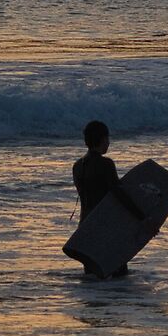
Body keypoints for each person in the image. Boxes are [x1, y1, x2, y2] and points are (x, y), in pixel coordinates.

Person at [72, 118, 125, 277]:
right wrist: (144, 219)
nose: (109, 143)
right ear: (102, 139)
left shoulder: (77, 166)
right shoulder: (106, 164)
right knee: (119, 277)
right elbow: (120, 195)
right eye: (107, 138)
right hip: (105, 228)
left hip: (85, 229)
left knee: (92, 281)